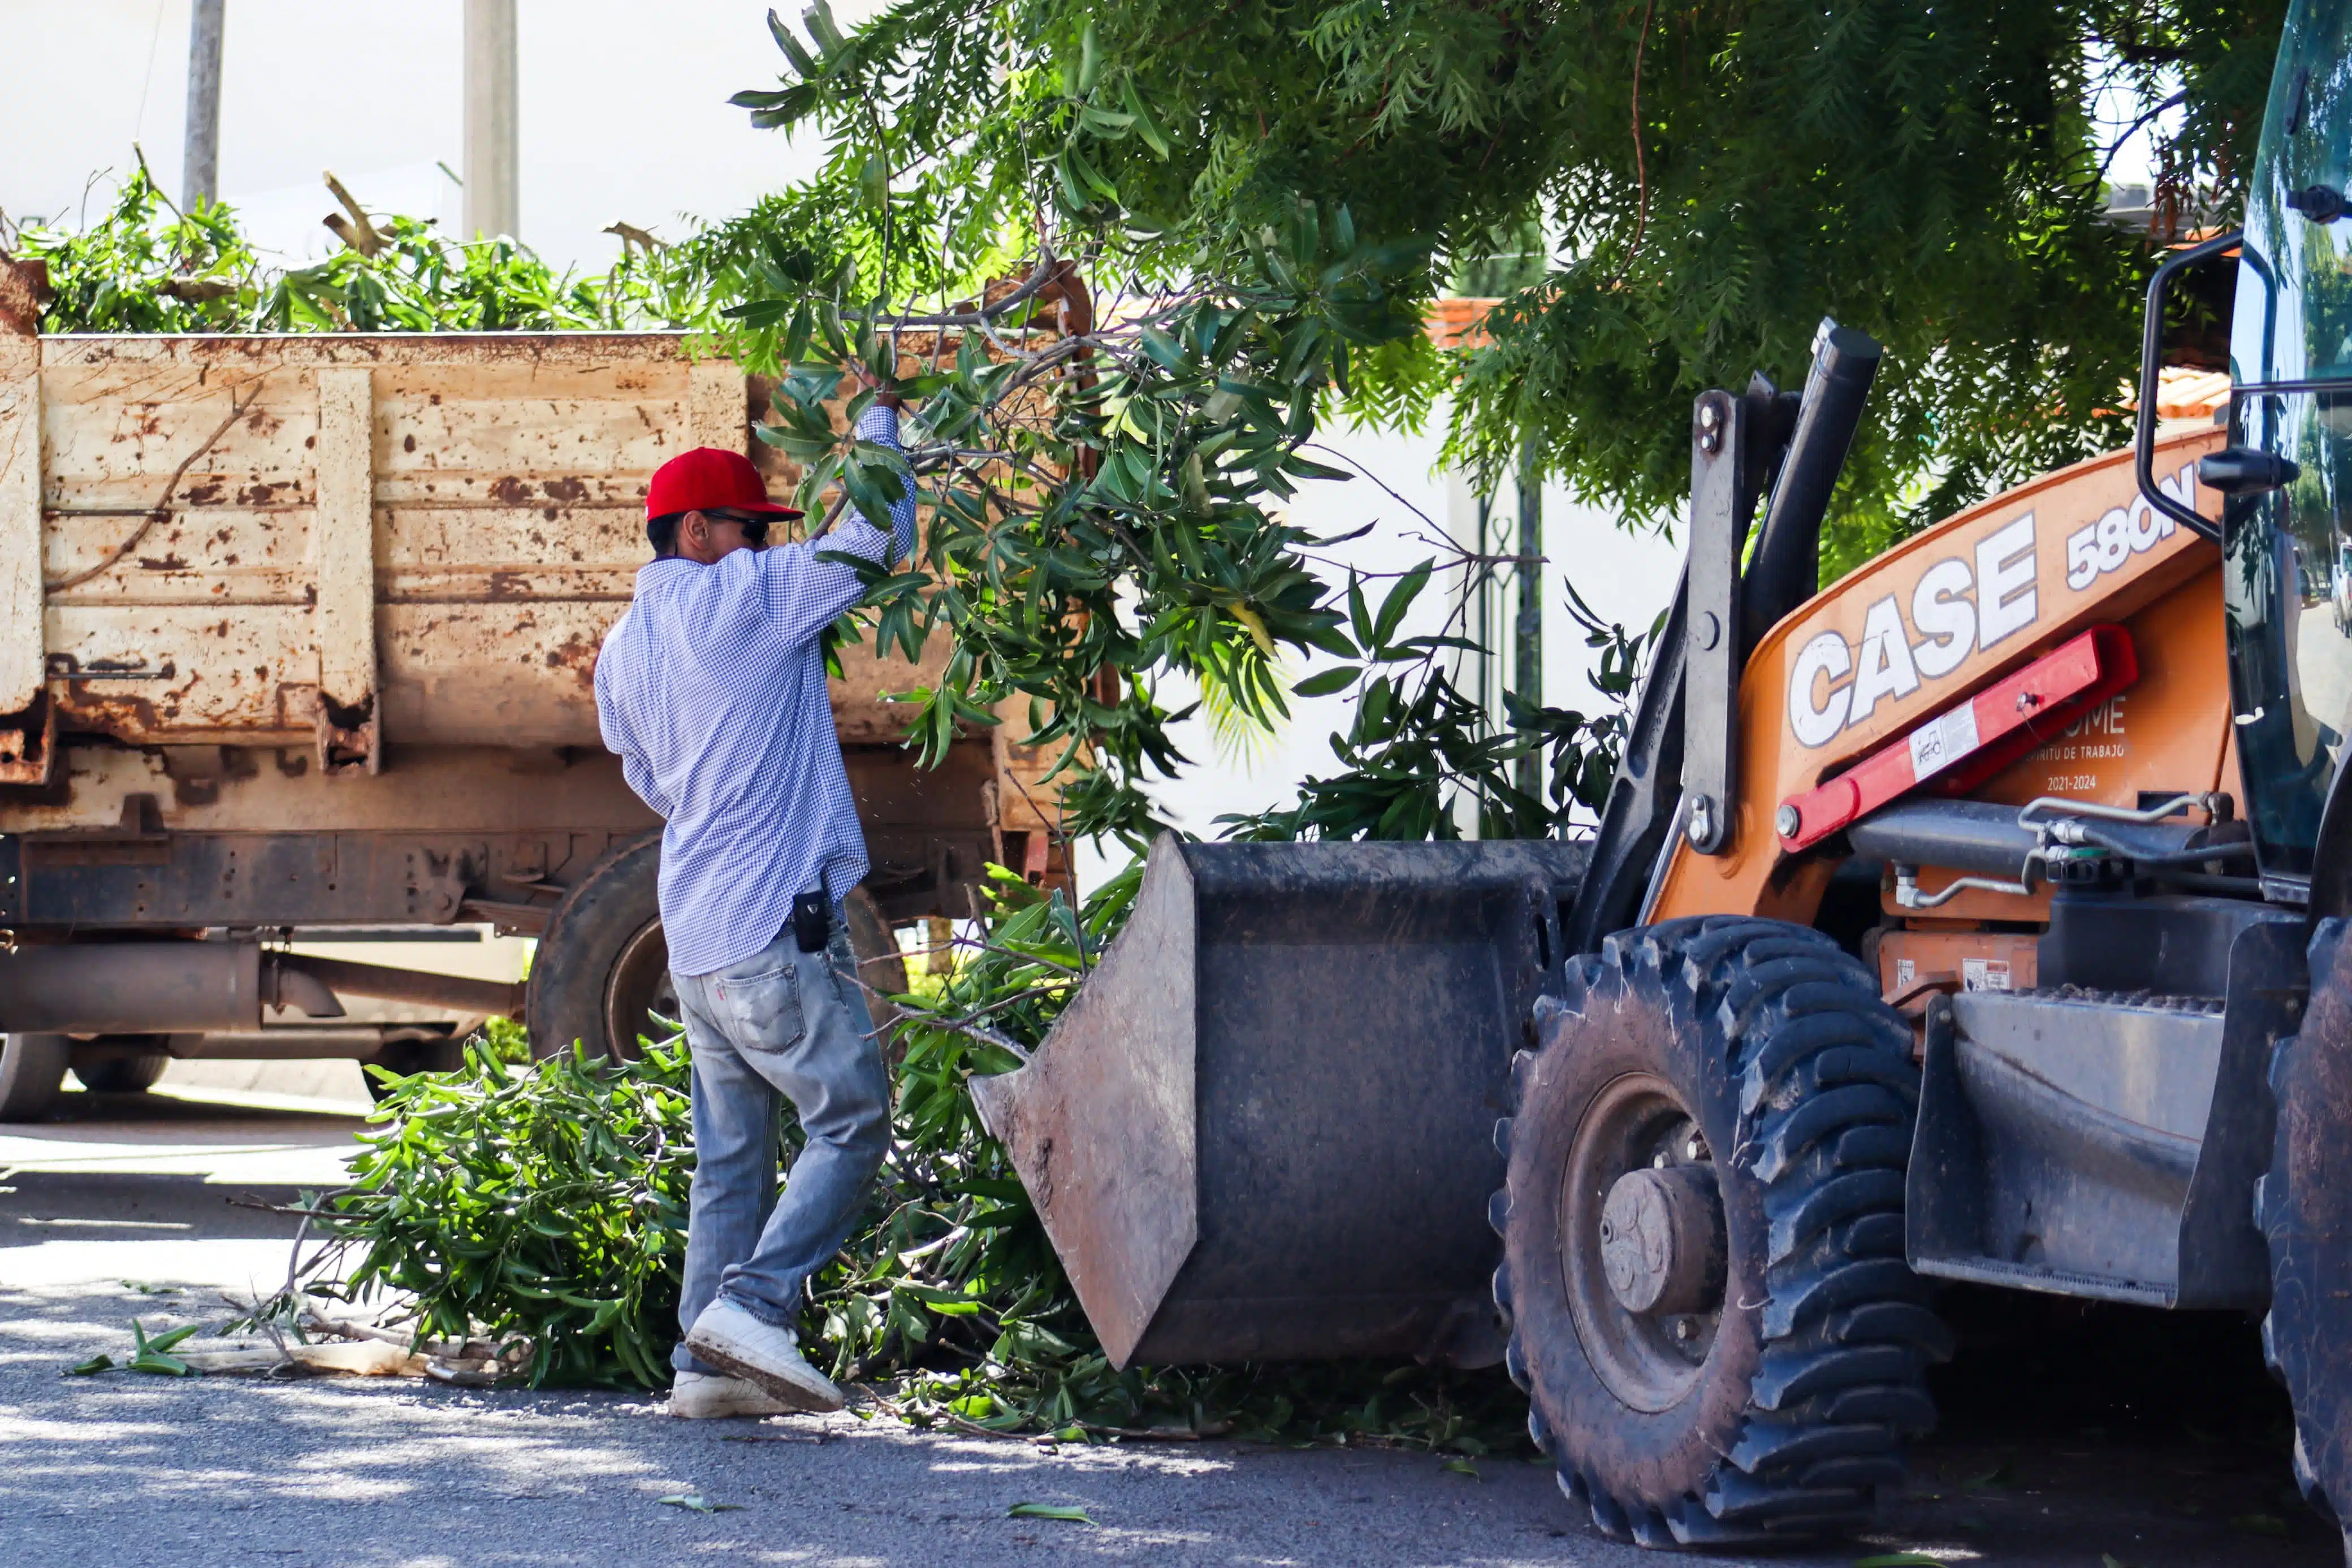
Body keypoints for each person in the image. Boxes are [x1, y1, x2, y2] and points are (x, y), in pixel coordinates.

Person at [593, 379, 917, 1419]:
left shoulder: (621, 650)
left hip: (692, 926)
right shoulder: (745, 602)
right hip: (768, 924)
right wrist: (879, 422)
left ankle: (703, 1372)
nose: (759, 543)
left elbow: (646, 775)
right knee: (854, 1117)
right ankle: (759, 1306)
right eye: (746, 527)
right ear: (696, 531)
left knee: (731, 1157)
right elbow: (872, 540)